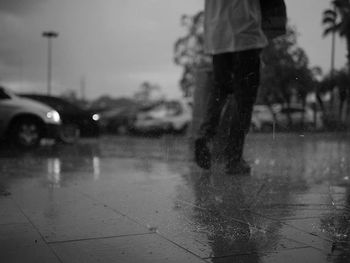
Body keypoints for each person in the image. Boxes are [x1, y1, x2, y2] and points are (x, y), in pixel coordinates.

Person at [194, 0, 285, 174]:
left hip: (217, 33)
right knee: (244, 96)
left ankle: (204, 135)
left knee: (220, 87)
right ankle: (234, 159)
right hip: (245, 32)